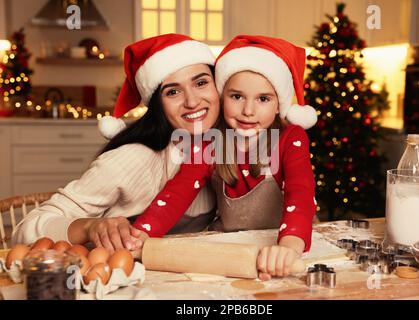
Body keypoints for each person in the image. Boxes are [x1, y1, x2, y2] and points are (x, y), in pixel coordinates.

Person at [12, 34, 220, 253]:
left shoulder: (226, 149)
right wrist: (90, 227)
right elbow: (23, 231)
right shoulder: (135, 159)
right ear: (159, 105)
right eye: (173, 92)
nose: (192, 101)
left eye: (201, 82)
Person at [133, 35, 318, 280]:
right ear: (222, 96)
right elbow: (178, 191)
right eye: (236, 96)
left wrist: (288, 248)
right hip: (234, 248)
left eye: (263, 99)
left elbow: (301, 191)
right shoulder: (210, 140)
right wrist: (141, 234)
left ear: (278, 105)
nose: (248, 111)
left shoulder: (290, 138)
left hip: (283, 243)